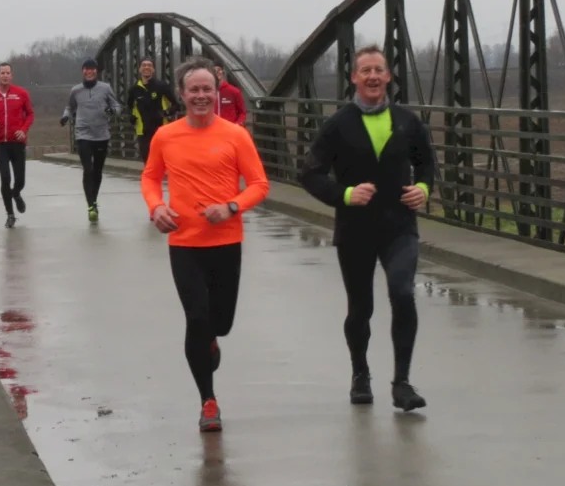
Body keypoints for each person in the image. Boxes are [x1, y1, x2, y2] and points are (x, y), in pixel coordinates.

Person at [299, 45, 433, 412]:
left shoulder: (407, 122)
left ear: (388, 76)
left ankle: (402, 383)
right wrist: (344, 193)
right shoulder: (339, 124)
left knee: (402, 293)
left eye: (379, 70)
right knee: (361, 308)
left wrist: (423, 190)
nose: (373, 76)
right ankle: (360, 374)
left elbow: (427, 167)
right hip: (355, 230)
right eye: (365, 71)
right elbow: (308, 173)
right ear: (355, 78)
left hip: (399, 227)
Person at [141, 56, 269, 433]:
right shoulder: (166, 136)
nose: (200, 96)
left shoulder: (235, 135)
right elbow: (149, 178)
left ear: (217, 93)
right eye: (193, 90)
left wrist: (232, 206)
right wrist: (156, 207)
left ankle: (212, 340)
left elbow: (260, 185)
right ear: (182, 94)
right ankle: (208, 401)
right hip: (184, 243)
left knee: (220, 323)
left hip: (227, 241)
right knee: (196, 318)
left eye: (207, 90)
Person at [60, 58, 121, 222]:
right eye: (87, 69)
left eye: (93, 69)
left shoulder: (105, 88)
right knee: (88, 169)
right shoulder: (76, 90)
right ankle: (91, 205)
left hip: (101, 134)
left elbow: (117, 106)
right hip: (83, 134)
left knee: (98, 170)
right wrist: (65, 117)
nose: (90, 71)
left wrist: (111, 110)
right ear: (83, 71)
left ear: (97, 71)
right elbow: (70, 107)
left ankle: (93, 199)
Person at [0, 62, 35, 228]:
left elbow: (30, 114)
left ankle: (17, 193)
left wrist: (24, 130)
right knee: (5, 178)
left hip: (17, 142)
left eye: (8, 73)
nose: (5, 75)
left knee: (20, 180)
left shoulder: (21, 94)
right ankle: (10, 214)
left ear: (11, 76)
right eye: (2, 73)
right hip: (0, 143)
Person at [127, 57, 179, 163]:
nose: (146, 67)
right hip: (143, 131)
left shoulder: (161, 86)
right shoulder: (134, 89)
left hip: (160, 130)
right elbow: (129, 106)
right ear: (139, 69)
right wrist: (131, 117)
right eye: (144, 65)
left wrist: (166, 113)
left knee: (161, 161)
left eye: (149, 65)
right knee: (148, 162)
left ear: (153, 69)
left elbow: (176, 105)